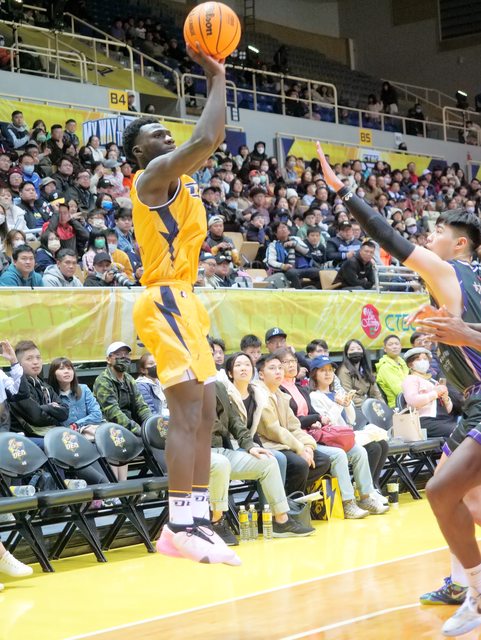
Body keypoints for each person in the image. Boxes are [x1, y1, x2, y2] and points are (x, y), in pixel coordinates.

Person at [316, 141, 481, 636]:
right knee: (467, 500)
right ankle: (464, 587)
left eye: (438, 232)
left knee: (441, 493)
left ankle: (476, 593)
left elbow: (387, 236)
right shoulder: (468, 284)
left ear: (460, 245)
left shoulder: (448, 271)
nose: (429, 237)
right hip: (472, 405)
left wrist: (343, 191)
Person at [121, 45, 239, 566]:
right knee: (186, 412)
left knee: (208, 413)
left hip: (187, 299)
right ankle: (177, 525)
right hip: (163, 298)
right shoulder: (151, 179)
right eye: (155, 134)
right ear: (138, 153)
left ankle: (197, 518)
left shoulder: (182, 180)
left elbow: (206, 141)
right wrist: (217, 77)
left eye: (167, 131)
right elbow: (207, 138)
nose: (166, 136)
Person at [211, 371, 314, 541]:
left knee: (268, 461)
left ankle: (281, 520)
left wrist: (250, 445)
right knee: (221, 463)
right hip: (193, 454)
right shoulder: (181, 388)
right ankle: (216, 522)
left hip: (219, 450)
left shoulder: (217, 386)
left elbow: (234, 420)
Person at [308, 355, 389, 517]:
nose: (328, 374)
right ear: (314, 374)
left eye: (330, 370)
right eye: (323, 370)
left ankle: (366, 497)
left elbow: (351, 420)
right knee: (342, 455)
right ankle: (348, 502)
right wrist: (338, 405)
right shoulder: (314, 396)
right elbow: (326, 423)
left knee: (360, 451)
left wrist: (347, 404)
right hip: (327, 440)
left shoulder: (337, 393)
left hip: (342, 438)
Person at [255, 354, 331, 496]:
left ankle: (290, 497)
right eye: (272, 368)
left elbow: (294, 426)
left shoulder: (280, 395)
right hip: (267, 444)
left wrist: (308, 446)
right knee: (300, 464)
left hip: (285, 444)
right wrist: (300, 449)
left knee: (323, 461)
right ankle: (289, 502)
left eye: (280, 368)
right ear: (261, 374)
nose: (278, 371)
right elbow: (273, 430)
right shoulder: (259, 394)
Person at [9, 340, 69, 444]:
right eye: (29, 358)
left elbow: (65, 412)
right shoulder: (17, 387)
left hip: (48, 433)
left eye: (38, 357)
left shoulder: (45, 386)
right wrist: (53, 411)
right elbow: (36, 417)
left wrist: (45, 408)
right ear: (19, 364)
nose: (35, 362)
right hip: (26, 438)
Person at [402, 347, 456, 439]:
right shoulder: (410, 379)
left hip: (443, 420)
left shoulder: (433, 381)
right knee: (460, 433)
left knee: (468, 430)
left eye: (425, 359)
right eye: (418, 359)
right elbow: (412, 401)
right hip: (423, 421)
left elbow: (448, 410)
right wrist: (435, 393)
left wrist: (446, 398)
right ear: (410, 364)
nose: (423, 361)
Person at [336, 339, 384, 425]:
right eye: (352, 349)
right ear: (346, 353)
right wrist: (370, 406)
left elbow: (376, 393)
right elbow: (348, 396)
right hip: (355, 410)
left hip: (370, 407)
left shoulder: (365, 369)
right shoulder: (343, 371)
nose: (356, 351)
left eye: (358, 349)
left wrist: (383, 407)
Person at [375, 335, 409, 408]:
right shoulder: (385, 367)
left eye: (397, 344)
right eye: (390, 345)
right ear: (385, 349)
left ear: (401, 347)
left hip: (409, 401)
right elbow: (399, 391)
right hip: (398, 406)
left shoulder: (402, 363)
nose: (394, 347)